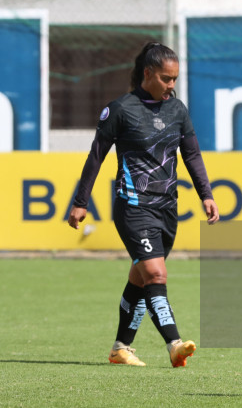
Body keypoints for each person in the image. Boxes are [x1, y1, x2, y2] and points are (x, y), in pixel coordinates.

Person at [68, 41, 219, 367]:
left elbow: (191, 154)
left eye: (175, 79)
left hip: (167, 209)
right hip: (133, 207)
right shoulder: (120, 109)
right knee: (155, 273)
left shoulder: (177, 110)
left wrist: (205, 193)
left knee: (140, 278)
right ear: (148, 74)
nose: (172, 85)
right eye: (166, 79)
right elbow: (96, 157)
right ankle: (174, 345)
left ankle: (120, 348)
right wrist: (81, 201)